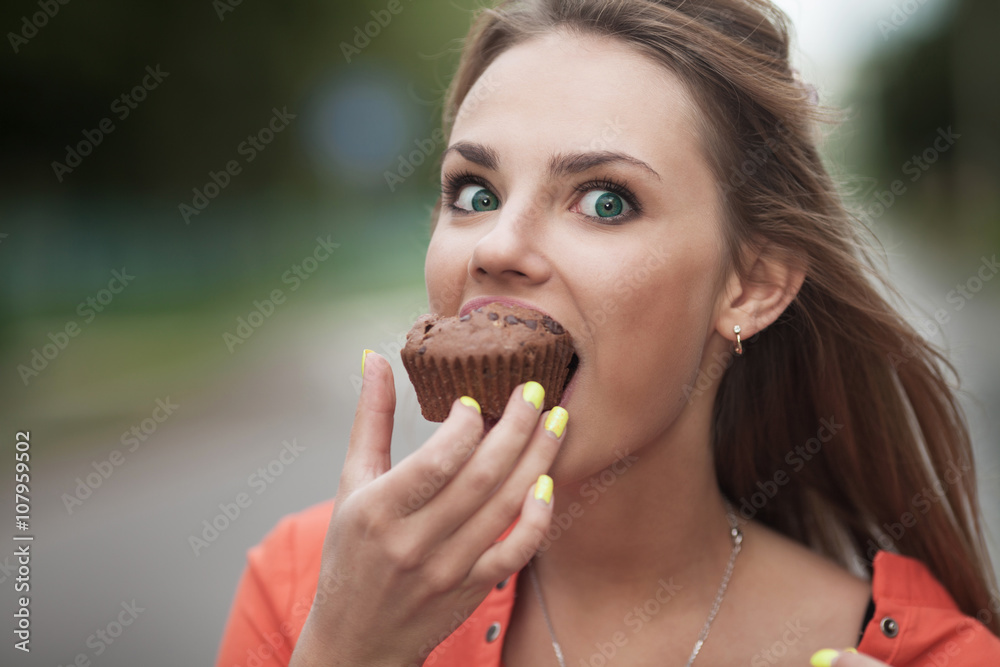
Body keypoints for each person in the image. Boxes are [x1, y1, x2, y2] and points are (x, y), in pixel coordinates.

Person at [216, 1, 1000, 665]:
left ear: (753, 285)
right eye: (475, 191)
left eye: (604, 201)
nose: (495, 246)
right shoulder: (309, 586)